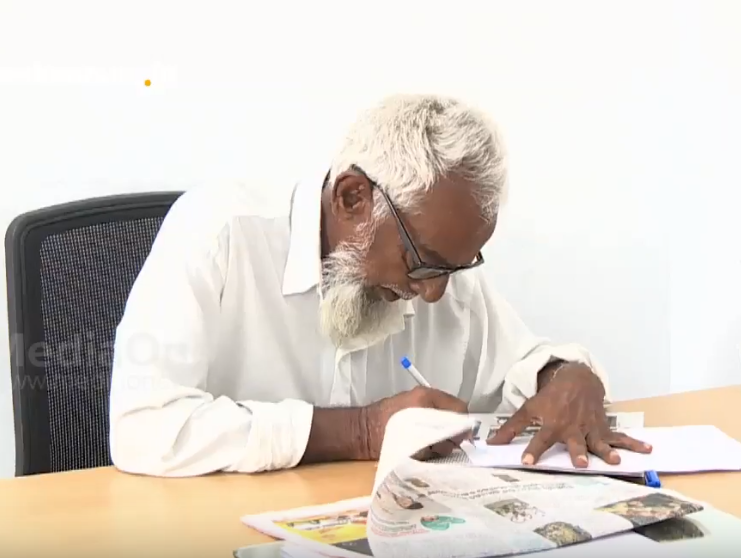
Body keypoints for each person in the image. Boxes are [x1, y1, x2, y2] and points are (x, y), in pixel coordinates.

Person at [108, 93, 652, 477]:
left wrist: (566, 377)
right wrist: (363, 430)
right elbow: (143, 427)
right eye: (423, 263)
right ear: (352, 198)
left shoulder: (439, 267)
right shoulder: (218, 234)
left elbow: (522, 364)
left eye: (454, 269)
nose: (434, 293)